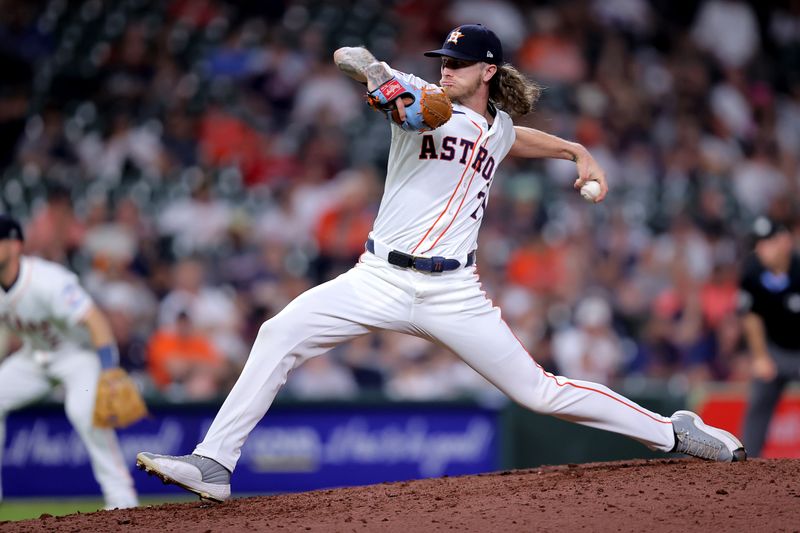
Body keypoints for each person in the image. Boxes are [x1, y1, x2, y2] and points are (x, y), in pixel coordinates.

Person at [137, 24, 745, 503]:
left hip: (453, 292)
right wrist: (373, 71)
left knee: (538, 392)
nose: (446, 69)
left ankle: (671, 430)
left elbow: (510, 135)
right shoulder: (421, 95)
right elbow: (356, 61)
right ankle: (215, 462)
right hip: (377, 277)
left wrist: (574, 149)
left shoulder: (497, 127)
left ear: (488, 70)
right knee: (279, 333)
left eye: (457, 62)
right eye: (442, 61)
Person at [0, 215, 138, 510]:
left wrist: (110, 370)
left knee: (82, 410)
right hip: (34, 355)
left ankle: (121, 497)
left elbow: (95, 321)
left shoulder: (47, 280)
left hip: (78, 353)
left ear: (15, 245)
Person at [739, 216, 800, 457]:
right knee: (758, 401)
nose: (761, 249)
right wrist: (760, 356)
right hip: (775, 349)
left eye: (768, 242)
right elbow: (752, 317)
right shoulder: (752, 271)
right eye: (758, 243)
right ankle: (747, 463)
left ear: (784, 241)